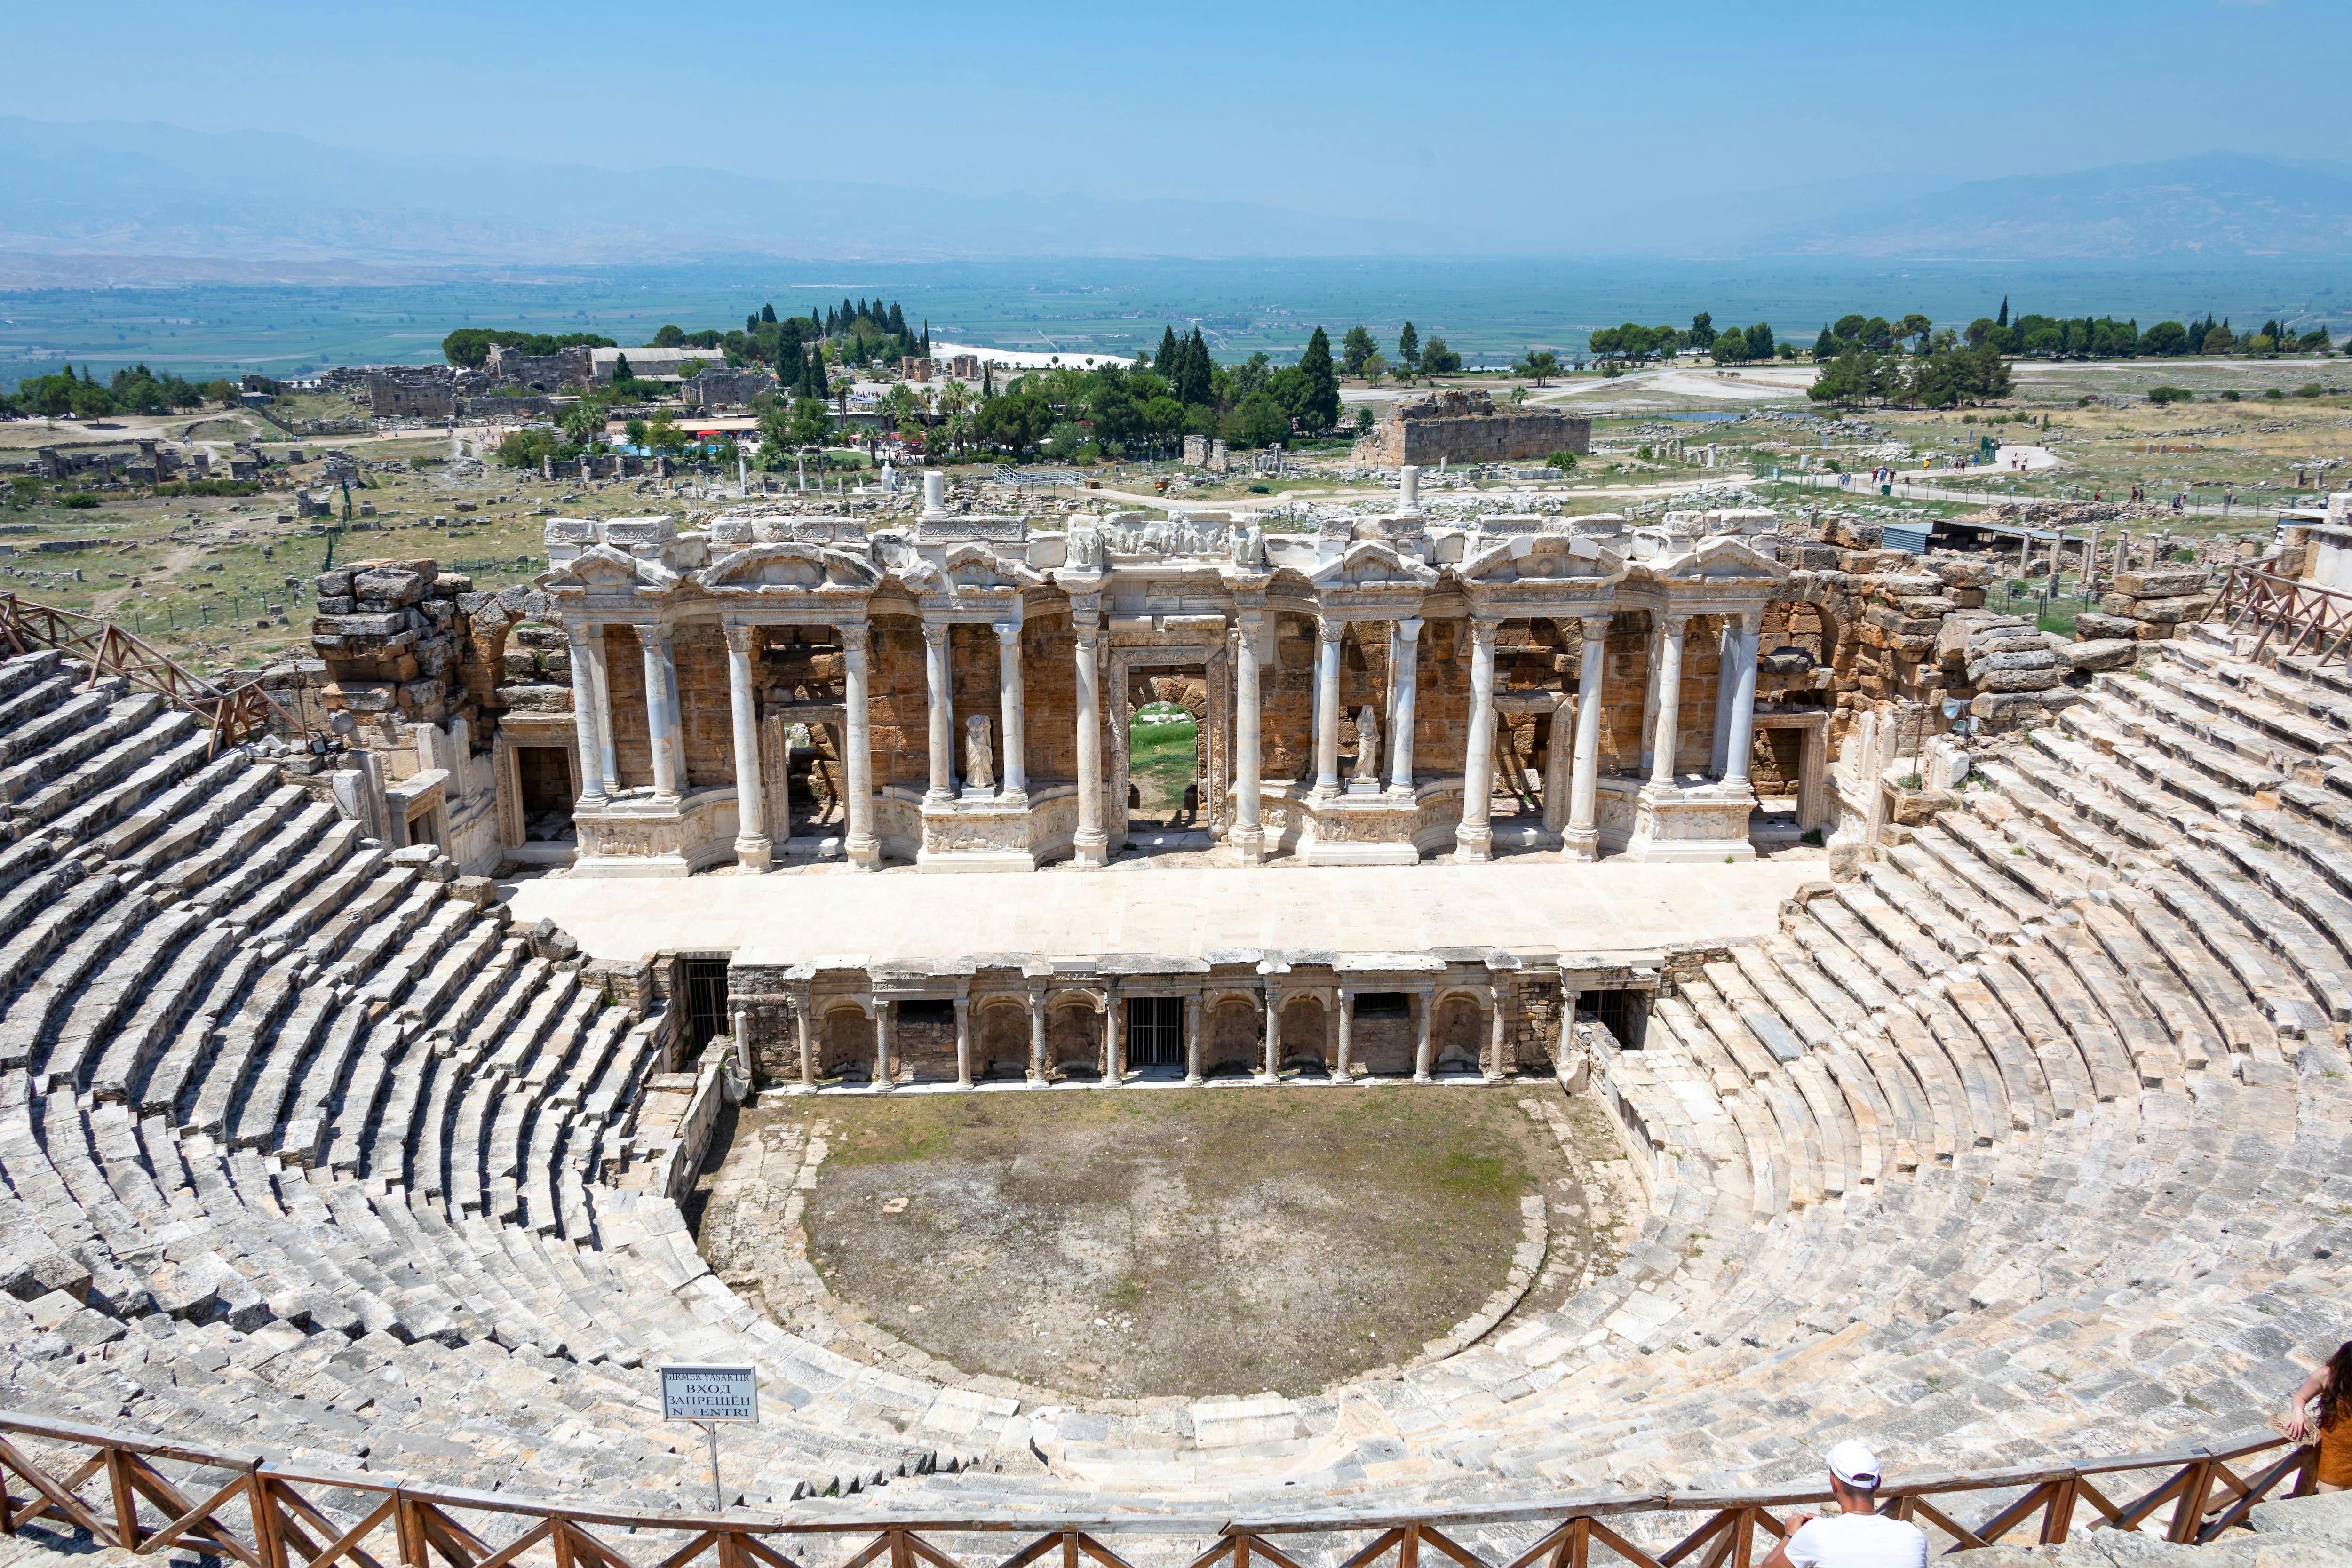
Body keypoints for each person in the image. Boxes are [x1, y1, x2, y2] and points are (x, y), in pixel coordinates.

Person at [1761, 1441, 1926, 1568]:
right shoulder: (1913, 1535)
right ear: (1877, 1483)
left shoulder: (1817, 1533)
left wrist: (1790, 1535)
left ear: (1833, 1483)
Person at [2283, 1340, 2352, 1492]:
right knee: (2329, 1509)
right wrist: (2298, 1413)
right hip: (2333, 1454)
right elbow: (2300, 1397)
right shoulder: (2325, 1376)